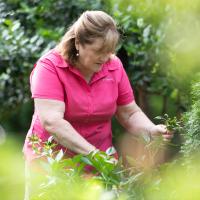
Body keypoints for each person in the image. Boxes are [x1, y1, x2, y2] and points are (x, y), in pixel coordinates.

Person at [23, 10, 173, 199]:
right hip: (51, 164)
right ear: (78, 43)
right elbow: (52, 122)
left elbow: (129, 113)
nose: (105, 58)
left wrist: (151, 129)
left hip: (100, 163)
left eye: (110, 51)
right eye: (99, 51)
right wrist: (94, 154)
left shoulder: (113, 65)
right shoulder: (49, 68)